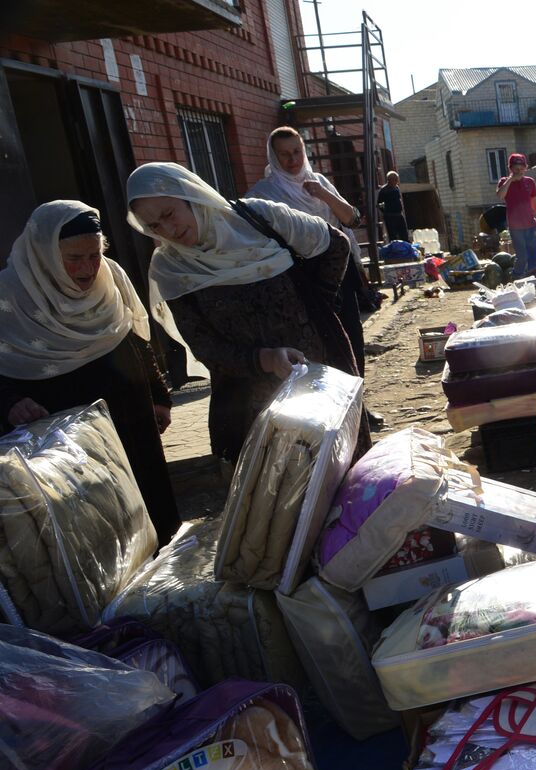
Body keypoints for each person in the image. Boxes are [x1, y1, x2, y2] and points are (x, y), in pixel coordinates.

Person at [126, 162, 368, 467]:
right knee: (283, 496)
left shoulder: (258, 217)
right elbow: (206, 347)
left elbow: (335, 245)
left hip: (321, 373)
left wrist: (316, 304)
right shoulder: (171, 269)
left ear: (189, 195)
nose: (169, 230)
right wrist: (264, 358)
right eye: (155, 227)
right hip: (251, 403)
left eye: (169, 213)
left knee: (347, 474)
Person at [0, 201, 180, 543]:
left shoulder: (110, 276)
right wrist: (10, 402)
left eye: (94, 255)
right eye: (74, 258)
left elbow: (136, 340)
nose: (88, 269)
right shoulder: (10, 296)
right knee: (91, 529)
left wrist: (158, 396)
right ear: (45, 254)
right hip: (61, 434)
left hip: (128, 419)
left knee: (152, 512)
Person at [248, 127, 383, 429]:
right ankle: (326, 416)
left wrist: (323, 194)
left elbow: (352, 218)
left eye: (296, 151)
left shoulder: (319, 182)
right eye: (284, 153)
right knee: (317, 345)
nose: (292, 159)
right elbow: (251, 230)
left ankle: (358, 408)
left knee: (351, 339)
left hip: (339, 270)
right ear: (274, 155)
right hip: (301, 278)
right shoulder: (265, 193)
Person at [495, 154, 536, 280]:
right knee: (522, 257)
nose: (519, 172)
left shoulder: (530, 182)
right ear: (510, 169)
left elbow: (535, 203)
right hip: (516, 227)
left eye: (522, 169)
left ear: (526, 168)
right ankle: (516, 278)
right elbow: (500, 196)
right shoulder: (504, 182)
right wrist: (510, 179)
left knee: (533, 256)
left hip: (531, 225)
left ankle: (532, 281)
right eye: (516, 169)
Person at [376, 171, 410, 243]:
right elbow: (379, 203)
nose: (397, 181)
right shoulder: (384, 190)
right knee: (393, 236)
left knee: (404, 234)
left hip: (399, 214)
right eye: (395, 179)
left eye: (397, 179)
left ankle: (406, 249)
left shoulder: (396, 188)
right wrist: (385, 212)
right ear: (389, 180)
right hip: (390, 216)